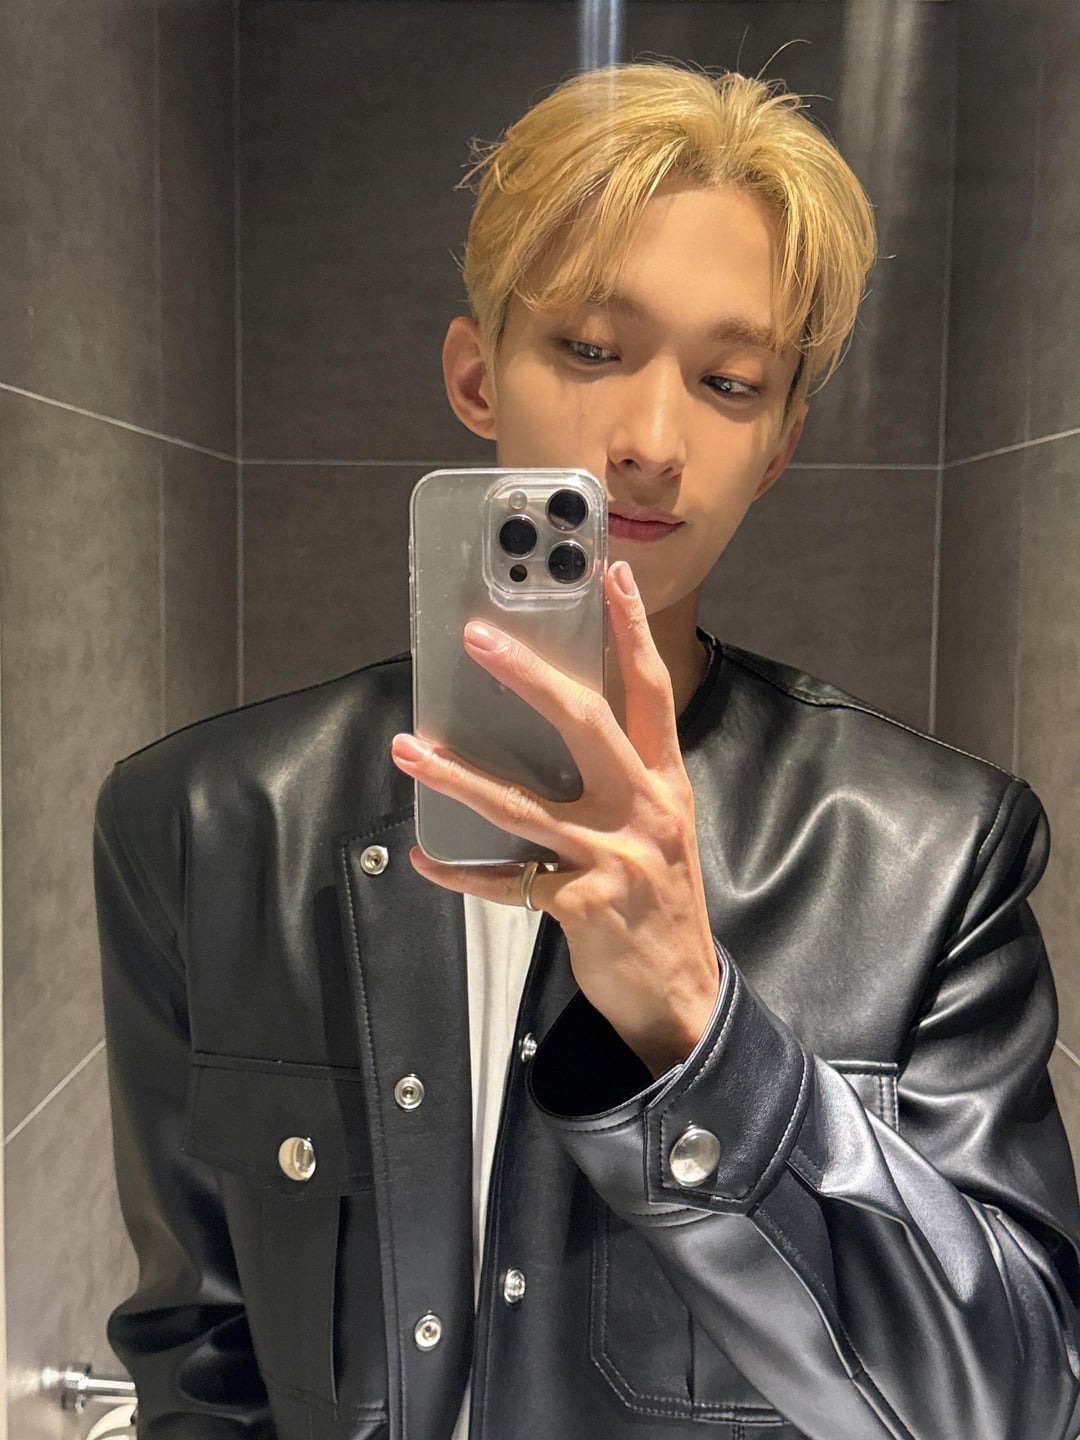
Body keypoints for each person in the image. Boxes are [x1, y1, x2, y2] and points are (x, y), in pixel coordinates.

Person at [94, 60, 1080, 1440]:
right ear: (475, 374)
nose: (655, 442)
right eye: (593, 349)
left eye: (730, 382)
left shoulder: (933, 859)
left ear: (780, 444)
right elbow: (201, 1361)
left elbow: (1020, 1406)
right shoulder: (204, 825)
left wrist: (697, 1025)